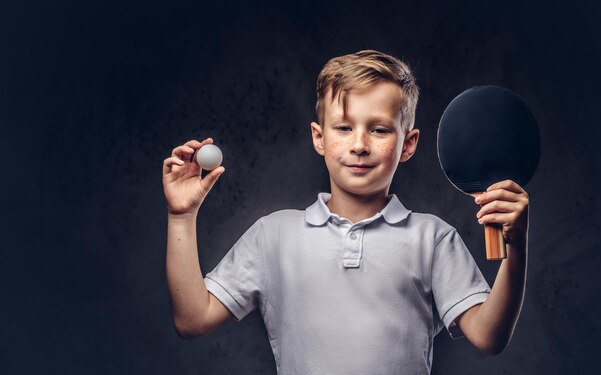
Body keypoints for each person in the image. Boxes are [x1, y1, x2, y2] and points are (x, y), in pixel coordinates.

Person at [162, 50, 529, 374]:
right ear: (319, 137)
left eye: (380, 129)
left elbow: (488, 336)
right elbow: (193, 319)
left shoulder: (432, 238)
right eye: (343, 127)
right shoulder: (272, 235)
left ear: (408, 144)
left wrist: (516, 248)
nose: (359, 145)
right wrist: (181, 216)